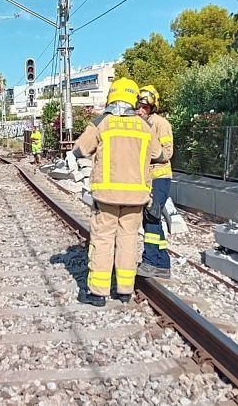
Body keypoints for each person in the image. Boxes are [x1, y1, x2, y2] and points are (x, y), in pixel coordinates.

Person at [71, 78, 166, 306]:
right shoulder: (144, 126)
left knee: (103, 240)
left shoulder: (102, 123)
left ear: (111, 97)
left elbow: (79, 149)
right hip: (136, 197)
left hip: (107, 195)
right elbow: (160, 155)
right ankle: (124, 290)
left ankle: (98, 293)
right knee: (129, 240)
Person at [135, 85, 174, 279]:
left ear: (152, 108)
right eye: (139, 106)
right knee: (153, 218)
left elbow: (167, 152)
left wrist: (149, 153)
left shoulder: (160, 124)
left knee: (151, 216)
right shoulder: (138, 123)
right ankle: (163, 263)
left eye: (145, 107)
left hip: (160, 176)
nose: (141, 110)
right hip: (147, 178)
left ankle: (150, 261)